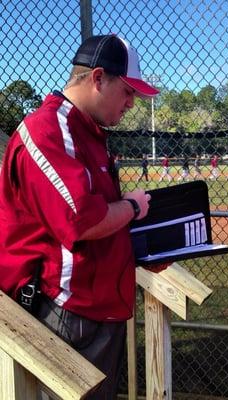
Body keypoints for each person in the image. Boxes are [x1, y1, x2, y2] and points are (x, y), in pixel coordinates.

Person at [0, 34, 159, 399]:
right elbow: (82, 221)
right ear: (98, 78)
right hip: (63, 312)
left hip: (95, 310)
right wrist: (133, 207)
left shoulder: (88, 132)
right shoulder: (48, 130)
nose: (132, 103)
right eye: (128, 91)